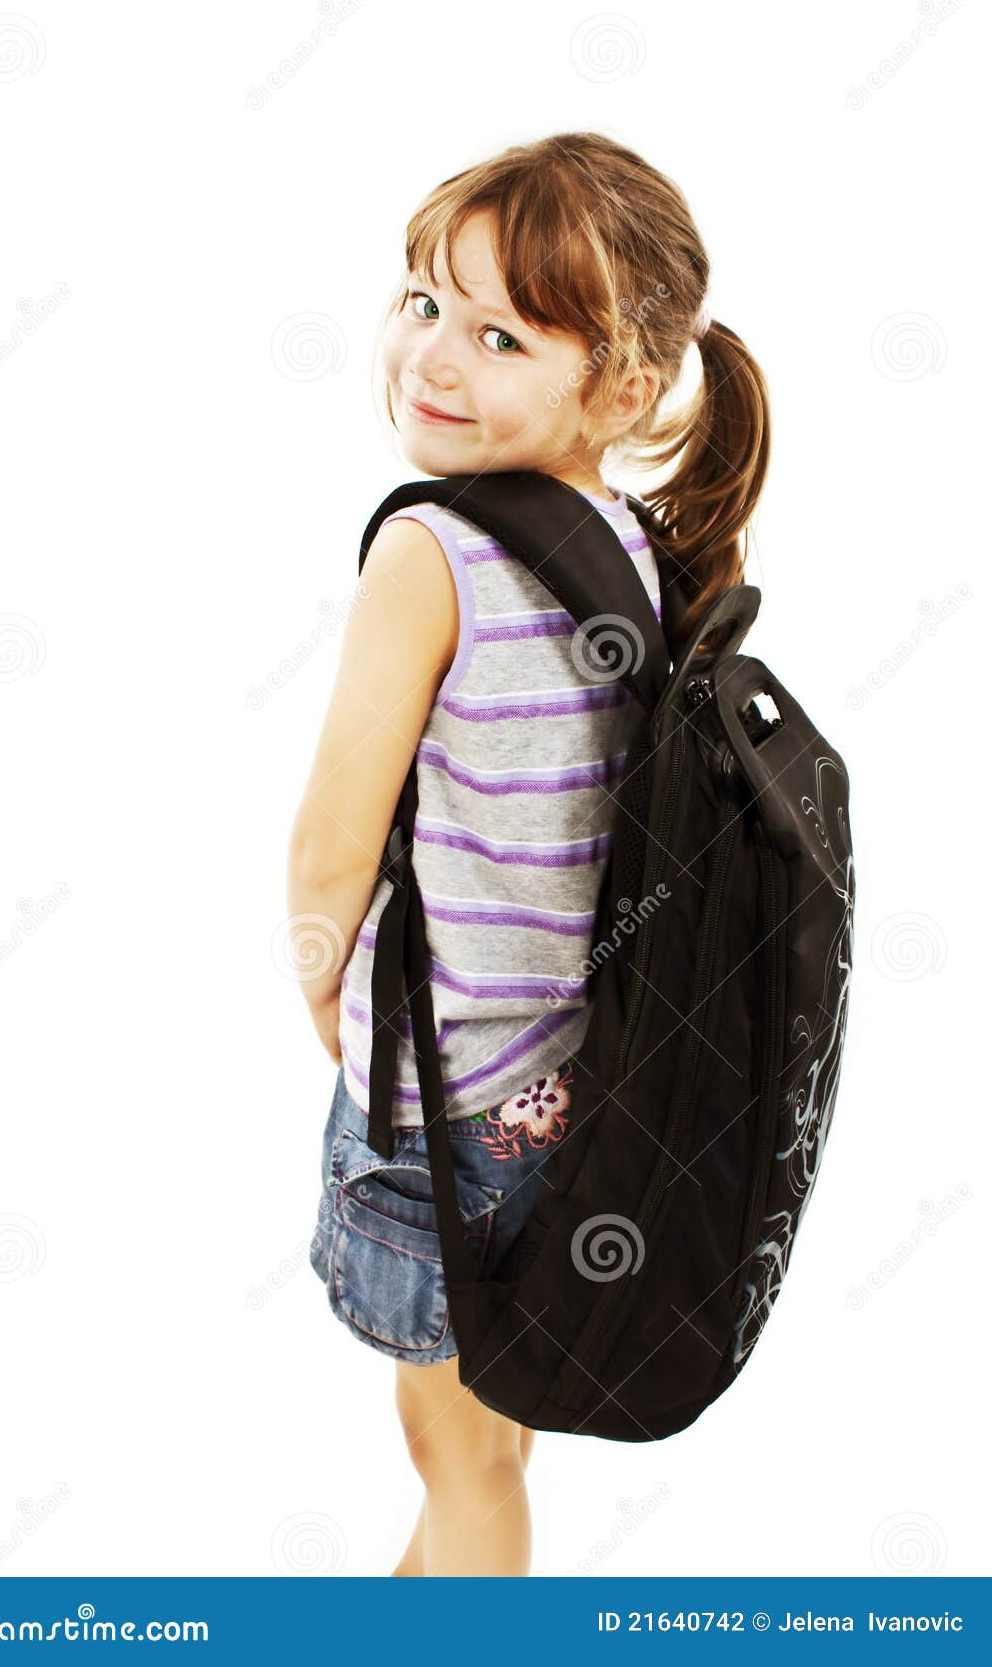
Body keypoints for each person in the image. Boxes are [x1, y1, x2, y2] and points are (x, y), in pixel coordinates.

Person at [287, 130, 770, 1576]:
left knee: (463, 1448)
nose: (435, 355)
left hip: (444, 1096)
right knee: (492, 1423)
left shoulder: (427, 554)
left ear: (620, 384)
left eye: (501, 335)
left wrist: (336, 1008)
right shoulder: (624, 540)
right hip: (576, 1093)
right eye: (425, 301)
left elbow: (328, 851)